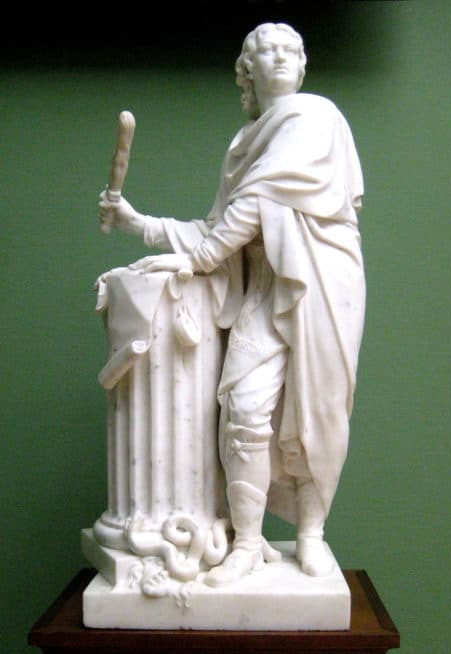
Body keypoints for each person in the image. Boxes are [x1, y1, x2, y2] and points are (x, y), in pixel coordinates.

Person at [99, 22, 365, 586]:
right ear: (247, 71)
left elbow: (248, 212)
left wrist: (195, 260)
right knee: (243, 410)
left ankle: (311, 534)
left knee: (319, 411)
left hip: (322, 282)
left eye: (291, 50)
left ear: (303, 65)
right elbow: (218, 227)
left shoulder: (313, 116)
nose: (281, 58)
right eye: (267, 51)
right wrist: (137, 222)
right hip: (267, 287)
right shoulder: (244, 145)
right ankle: (246, 542)